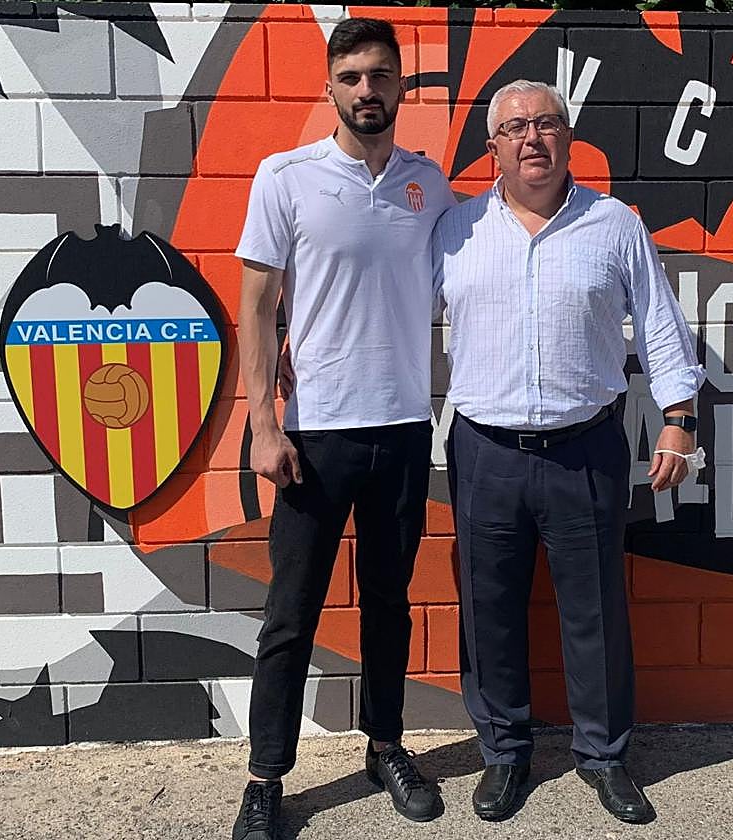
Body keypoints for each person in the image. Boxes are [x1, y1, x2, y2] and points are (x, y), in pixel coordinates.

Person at [433, 79, 704, 824]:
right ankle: (504, 755)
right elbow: (391, 311)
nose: (532, 138)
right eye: (516, 127)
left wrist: (679, 418)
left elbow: (660, 327)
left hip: (587, 448)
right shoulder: (454, 231)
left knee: (596, 614)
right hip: (484, 449)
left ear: (568, 137)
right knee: (490, 611)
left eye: (547, 123)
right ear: (493, 148)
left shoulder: (614, 225)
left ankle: (604, 757)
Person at [231, 17, 456, 839]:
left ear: (403, 87)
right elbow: (255, 307)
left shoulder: (428, 186)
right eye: (353, 76)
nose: (368, 90)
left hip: (401, 429)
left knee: (389, 606)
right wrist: (263, 423)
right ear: (329, 87)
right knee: (290, 614)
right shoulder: (284, 178)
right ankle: (265, 778)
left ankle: (386, 745)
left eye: (382, 76)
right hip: (314, 436)